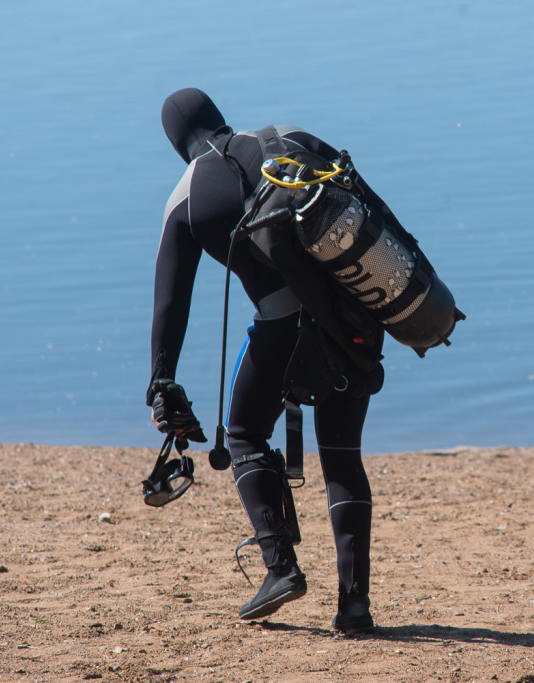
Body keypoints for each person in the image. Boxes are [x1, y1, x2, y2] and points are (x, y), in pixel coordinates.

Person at [148, 87, 387, 632]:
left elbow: (171, 302)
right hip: (354, 318)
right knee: (342, 456)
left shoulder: (184, 199)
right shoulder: (289, 139)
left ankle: (281, 569)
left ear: (176, 142)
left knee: (244, 436)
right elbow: (373, 213)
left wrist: (162, 380)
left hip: (283, 331)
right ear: (219, 116)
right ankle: (355, 606)